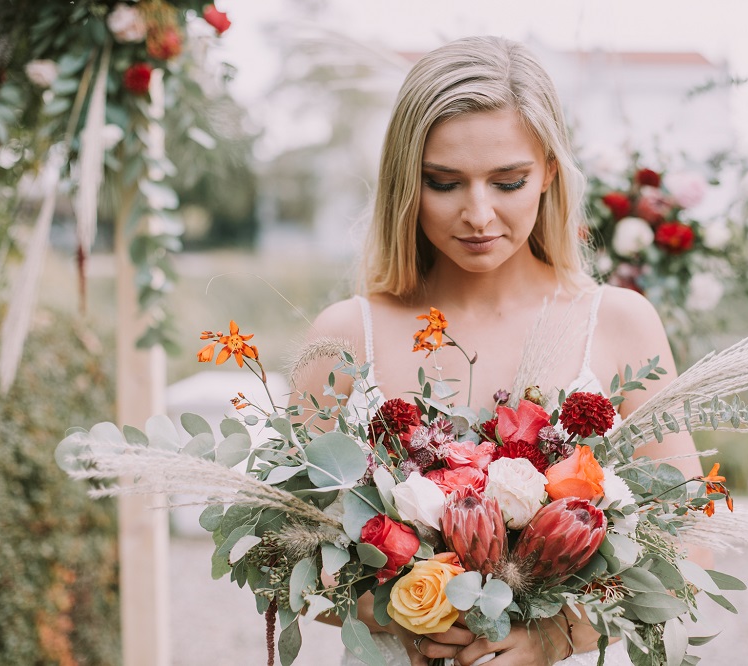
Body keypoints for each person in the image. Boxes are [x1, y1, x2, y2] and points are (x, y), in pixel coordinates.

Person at [292, 35, 703, 666]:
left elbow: (690, 542)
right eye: (444, 182)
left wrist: (558, 634)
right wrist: (398, 616)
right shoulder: (346, 335)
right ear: (406, 183)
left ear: (549, 175)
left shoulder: (620, 323)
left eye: (508, 181)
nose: (478, 214)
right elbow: (288, 547)